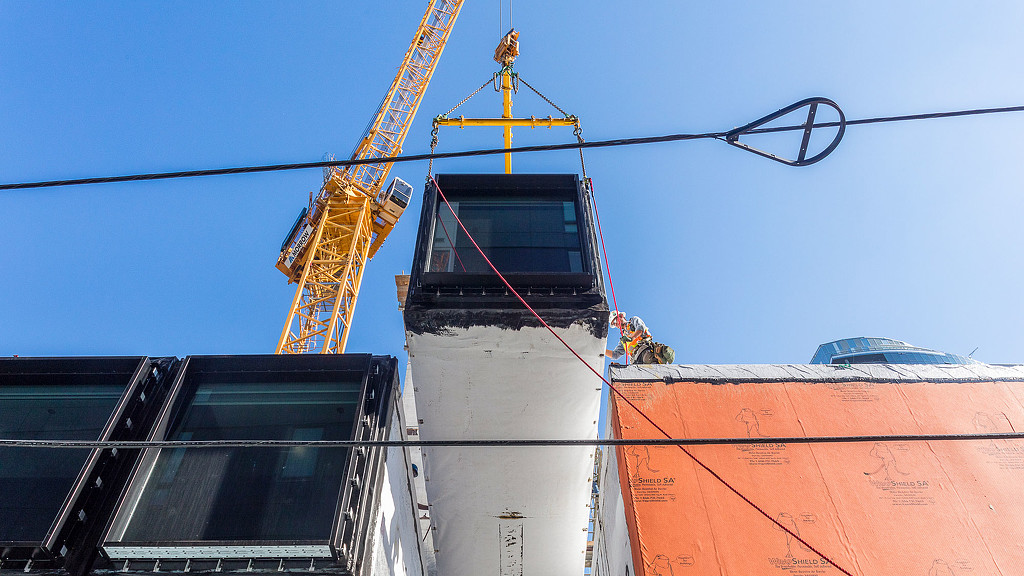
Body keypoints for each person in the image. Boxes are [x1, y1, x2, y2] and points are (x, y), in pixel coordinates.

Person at [605, 312, 675, 365]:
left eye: (615, 321)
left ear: (621, 316)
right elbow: (615, 355)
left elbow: (640, 329)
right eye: (613, 324)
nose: (615, 324)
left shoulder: (633, 321)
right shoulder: (623, 339)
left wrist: (632, 338)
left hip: (645, 352)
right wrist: (601, 350)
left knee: (652, 367)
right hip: (636, 361)